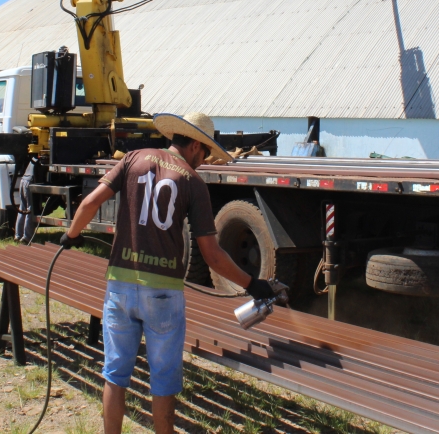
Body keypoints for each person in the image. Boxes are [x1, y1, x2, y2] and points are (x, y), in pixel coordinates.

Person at [62, 112, 281, 434]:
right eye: (205, 153)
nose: (204, 161)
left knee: (115, 374)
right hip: (163, 295)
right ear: (194, 145)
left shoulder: (133, 159)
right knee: (163, 381)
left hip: (120, 287)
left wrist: (71, 235)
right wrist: (253, 284)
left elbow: (90, 203)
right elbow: (213, 256)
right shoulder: (193, 183)